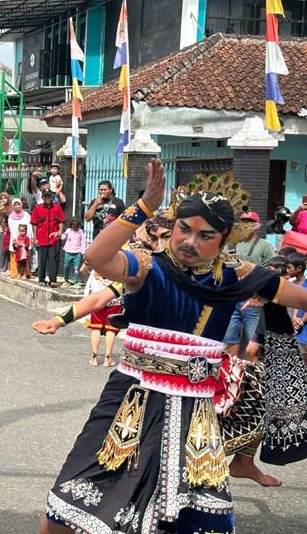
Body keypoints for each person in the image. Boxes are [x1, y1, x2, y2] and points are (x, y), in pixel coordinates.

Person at [37, 160, 307, 534]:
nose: (189, 242)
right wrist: (144, 206)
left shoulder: (240, 276)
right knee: (66, 511)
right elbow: (97, 258)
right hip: (130, 401)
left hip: (195, 413)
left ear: (225, 237)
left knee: (201, 520)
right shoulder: (149, 266)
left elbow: (298, 296)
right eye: (184, 229)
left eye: (205, 235)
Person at [258, 256, 307, 466]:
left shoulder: (284, 291)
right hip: (272, 350)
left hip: (285, 348)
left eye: (282, 272)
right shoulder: (259, 297)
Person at [224, 210, 277, 359]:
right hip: (231, 298)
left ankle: (255, 376)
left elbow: (273, 270)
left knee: (253, 344)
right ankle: (231, 374)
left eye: (250, 223)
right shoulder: (231, 244)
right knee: (229, 339)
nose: (247, 225)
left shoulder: (264, 246)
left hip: (252, 299)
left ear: (258, 226)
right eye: (243, 222)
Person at [31, 189, 65, 287]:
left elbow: (61, 221)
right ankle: (41, 279)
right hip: (41, 239)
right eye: (45, 196)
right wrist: (35, 237)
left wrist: (60, 231)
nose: (47, 198)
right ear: (42, 197)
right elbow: (34, 224)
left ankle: (52, 280)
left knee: (53, 260)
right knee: (42, 260)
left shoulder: (57, 208)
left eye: (49, 196)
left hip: (53, 240)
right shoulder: (38, 208)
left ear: (52, 197)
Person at [60, 218, 85, 287]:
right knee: (66, 267)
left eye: (77, 226)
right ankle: (66, 280)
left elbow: (82, 242)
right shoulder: (68, 230)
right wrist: (59, 235)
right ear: (71, 225)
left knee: (76, 268)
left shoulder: (81, 231)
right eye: (74, 226)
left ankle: (76, 282)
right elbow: (63, 237)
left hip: (77, 253)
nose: (75, 227)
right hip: (68, 252)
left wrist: (83, 252)